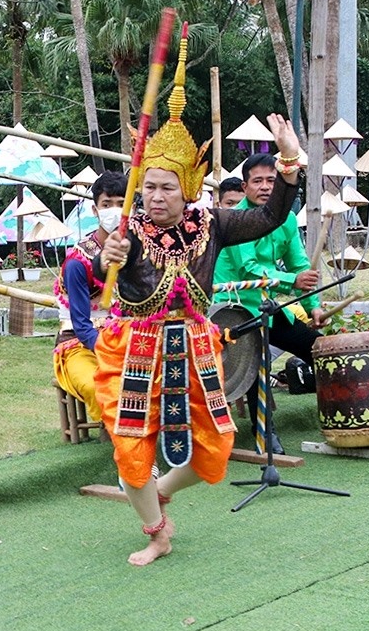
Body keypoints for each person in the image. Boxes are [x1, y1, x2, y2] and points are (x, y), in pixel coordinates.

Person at [95, 36, 302, 567]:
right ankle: (157, 531)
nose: (155, 196)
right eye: (149, 188)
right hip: (134, 350)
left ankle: (160, 492)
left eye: (167, 188)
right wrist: (108, 255)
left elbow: (270, 218)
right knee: (129, 453)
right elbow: (101, 267)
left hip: (194, 345)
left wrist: (289, 161)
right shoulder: (126, 231)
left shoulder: (210, 223)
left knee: (216, 449)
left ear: (188, 188)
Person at [213, 153, 324, 454]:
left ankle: (340, 414)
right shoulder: (235, 219)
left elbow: (301, 264)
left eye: (271, 180)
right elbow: (249, 268)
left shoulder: (287, 219)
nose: (264, 186)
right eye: (257, 181)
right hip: (232, 312)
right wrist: (291, 281)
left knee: (321, 350)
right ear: (245, 186)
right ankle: (265, 432)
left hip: (268, 308)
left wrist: (314, 305)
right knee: (256, 362)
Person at [53, 170, 127, 422]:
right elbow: (82, 326)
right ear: (95, 210)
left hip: (128, 338)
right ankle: (125, 446)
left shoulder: (139, 252)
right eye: (107, 204)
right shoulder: (77, 262)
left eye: (120, 204)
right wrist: (110, 353)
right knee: (97, 386)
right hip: (78, 344)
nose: (113, 210)